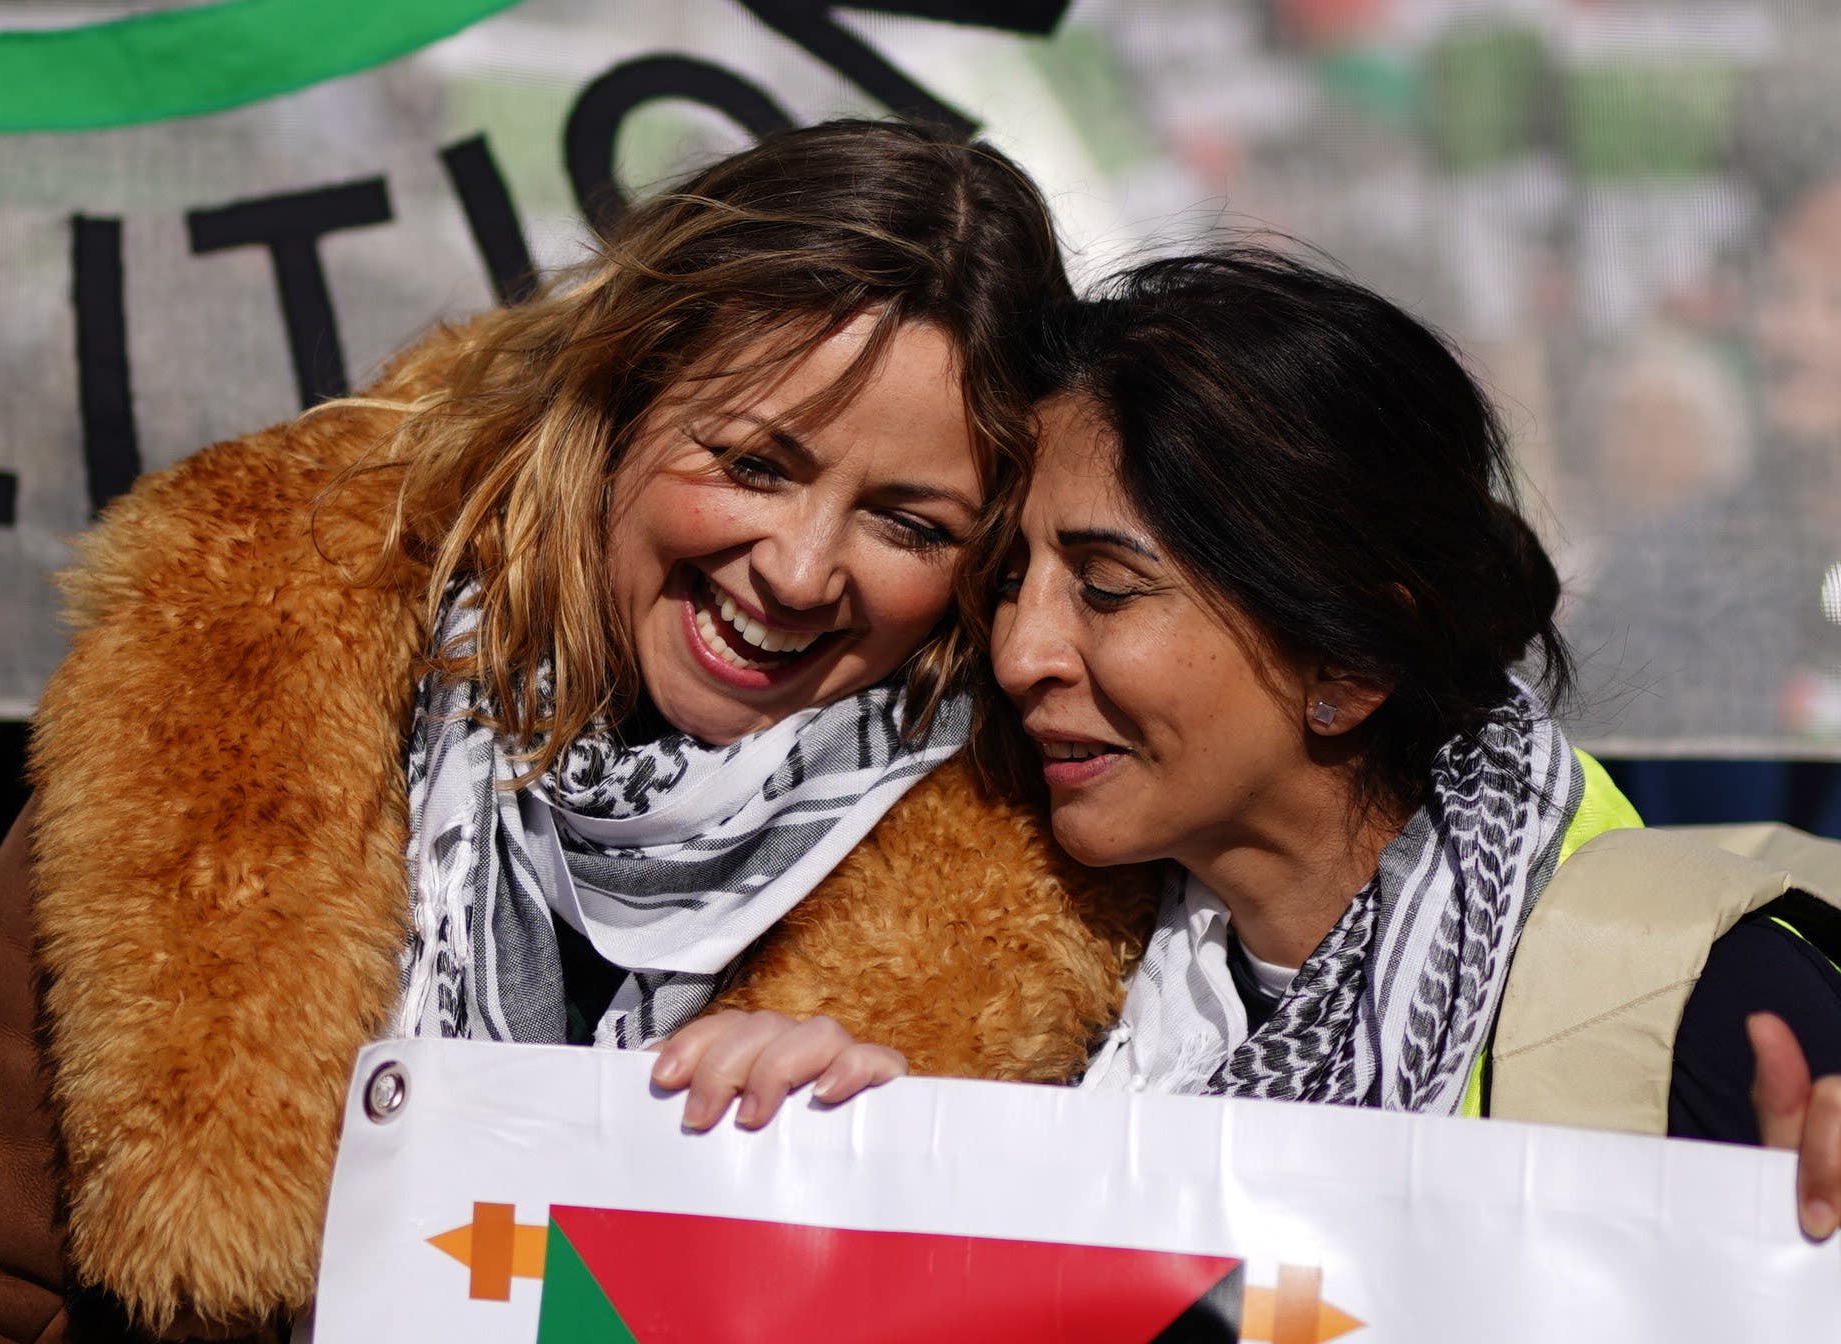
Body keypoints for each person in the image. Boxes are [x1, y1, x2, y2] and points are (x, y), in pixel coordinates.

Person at [0, 121, 1163, 1343]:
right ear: (623, 402)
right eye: (756, 464)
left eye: (909, 524)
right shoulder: (226, 685)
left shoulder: (1047, 883)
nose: (801, 569)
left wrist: (892, 1168)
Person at [658, 247, 1841, 1244]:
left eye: (1109, 589)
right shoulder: (1044, 980)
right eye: (1012, 579)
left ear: (1351, 662)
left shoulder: (1701, 1005)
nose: (1020, 653)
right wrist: (835, 1142)